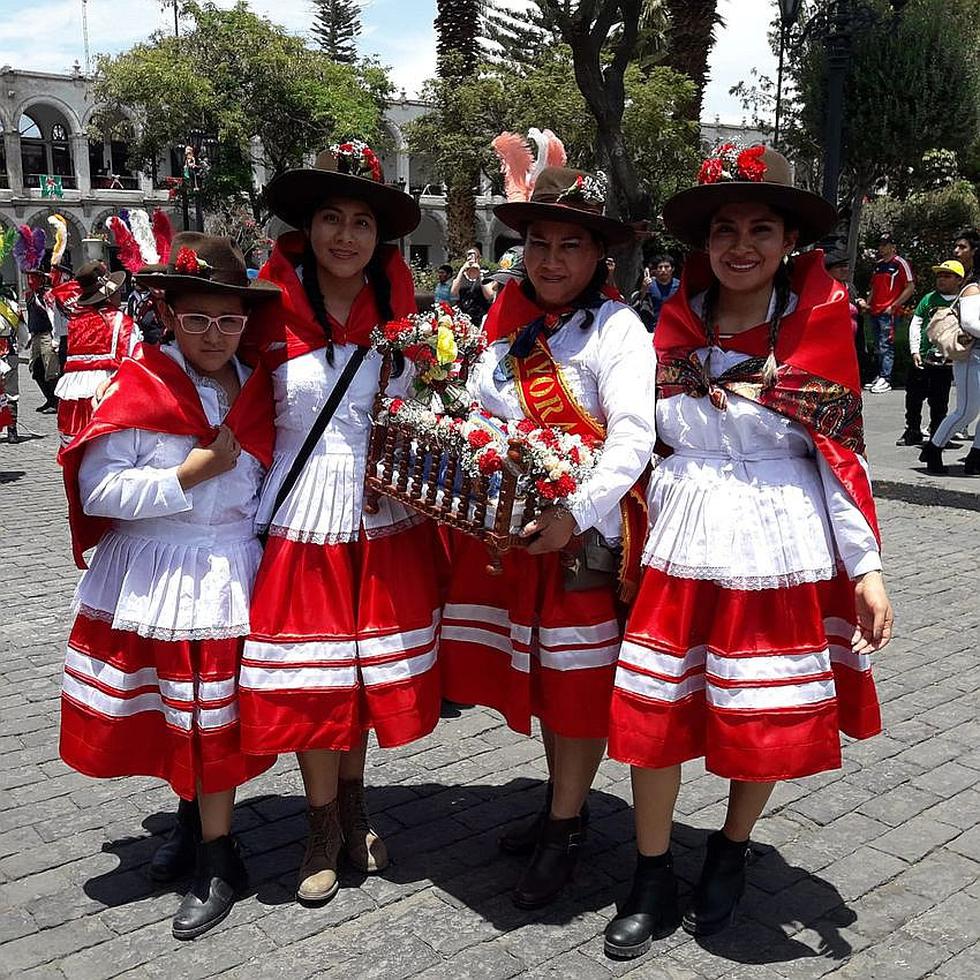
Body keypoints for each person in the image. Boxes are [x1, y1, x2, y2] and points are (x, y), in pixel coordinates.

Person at [603, 145, 892, 958]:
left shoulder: (820, 328)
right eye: (725, 228)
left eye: (760, 228)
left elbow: (840, 458)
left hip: (779, 540)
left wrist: (866, 568)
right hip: (685, 537)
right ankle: (651, 872)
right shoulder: (671, 324)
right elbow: (634, 440)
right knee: (656, 714)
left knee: (757, 709)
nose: (740, 244)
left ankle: (729, 850)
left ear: (789, 241)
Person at [440, 165, 656, 910]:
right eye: (539, 243)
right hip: (518, 536)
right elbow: (483, 417)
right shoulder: (511, 329)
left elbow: (631, 439)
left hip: (583, 543)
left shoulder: (619, 329)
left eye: (571, 244)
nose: (552, 260)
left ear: (600, 256)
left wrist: (575, 511)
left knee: (575, 690)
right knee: (541, 679)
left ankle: (565, 827)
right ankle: (561, 807)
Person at [238, 142, 444, 905]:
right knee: (314, 682)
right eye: (332, 218)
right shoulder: (263, 318)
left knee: (357, 679)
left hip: (381, 521)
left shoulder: (407, 321)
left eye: (362, 221)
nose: (347, 236)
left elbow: (429, 416)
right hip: (299, 522)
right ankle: (321, 825)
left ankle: (356, 810)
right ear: (308, 228)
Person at [58, 233, 281, 939]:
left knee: (209, 721)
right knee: (175, 715)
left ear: (246, 321)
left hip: (226, 574)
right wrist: (192, 473)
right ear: (168, 314)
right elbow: (99, 489)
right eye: (197, 320)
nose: (214, 335)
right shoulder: (138, 383)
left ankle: (219, 857)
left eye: (229, 320)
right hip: (159, 572)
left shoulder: (256, 388)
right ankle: (194, 827)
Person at [52, 260, 139, 447]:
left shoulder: (76, 322)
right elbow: (135, 361)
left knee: (78, 453)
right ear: (109, 295)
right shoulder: (121, 322)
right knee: (109, 454)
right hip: (106, 394)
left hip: (72, 397)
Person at [918, 268, 980, 475]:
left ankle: (976, 458)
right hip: (972, 355)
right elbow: (970, 323)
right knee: (966, 411)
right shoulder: (973, 288)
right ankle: (933, 449)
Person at [895, 260, 961, 447]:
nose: (941, 280)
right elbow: (916, 323)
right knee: (914, 397)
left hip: (947, 360)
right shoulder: (929, 299)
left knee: (940, 400)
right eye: (939, 275)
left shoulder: (963, 301)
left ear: (958, 280)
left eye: (947, 276)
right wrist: (915, 350)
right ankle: (913, 430)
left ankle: (938, 433)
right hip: (924, 357)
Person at [864, 233, 914, 394]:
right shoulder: (878, 265)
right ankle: (880, 375)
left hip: (889, 311)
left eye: (885, 244)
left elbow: (910, 286)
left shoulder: (900, 263)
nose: (882, 248)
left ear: (893, 246)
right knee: (878, 345)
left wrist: (894, 305)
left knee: (886, 344)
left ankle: (886, 378)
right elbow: (873, 288)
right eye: (881, 244)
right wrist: (867, 303)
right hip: (875, 310)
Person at [824, 248, 873, 382]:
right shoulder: (824, 289)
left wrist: (860, 304)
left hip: (851, 342)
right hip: (831, 343)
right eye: (840, 267)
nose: (844, 269)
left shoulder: (849, 287)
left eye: (846, 266)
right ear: (828, 270)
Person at [23, 271, 61, 412]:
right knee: (36, 369)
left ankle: (56, 402)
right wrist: (29, 335)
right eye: (29, 277)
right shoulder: (29, 296)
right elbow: (31, 318)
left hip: (47, 334)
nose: (30, 280)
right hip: (36, 336)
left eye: (33, 277)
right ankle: (49, 399)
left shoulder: (47, 296)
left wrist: (55, 338)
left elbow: (53, 316)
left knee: (51, 368)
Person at [0, 281, 27, 443]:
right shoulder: (13, 306)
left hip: (6, 351)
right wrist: (19, 348)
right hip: (10, 352)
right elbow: (24, 335)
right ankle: (12, 431)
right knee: (11, 393)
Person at [450, 244, 494, 323]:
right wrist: (462, 270)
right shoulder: (460, 275)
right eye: (468, 256)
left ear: (478, 258)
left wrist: (479, 274)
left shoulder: (485, 274)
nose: (471, 258)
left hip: (481, 316)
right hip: (463, 317)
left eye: (474, 256)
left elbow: (489, 295)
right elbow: (453, 293)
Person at [643, 255, 681, 331]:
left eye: (667, 267)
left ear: (672, 269)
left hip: (675, 326)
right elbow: (640, 302)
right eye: (660, 267)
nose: (663, 270)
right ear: (656, 270)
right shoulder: (649, 285)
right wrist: (643, 289)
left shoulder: (680, 286)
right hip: (654, 327)